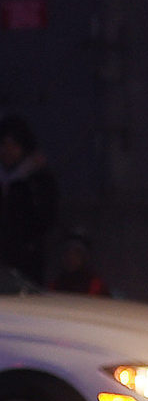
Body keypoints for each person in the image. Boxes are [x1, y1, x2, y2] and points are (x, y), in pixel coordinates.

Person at [0, 114, 58, 284]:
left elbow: (45, 218)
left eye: (14, 145)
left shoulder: (37, 179)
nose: (7, 151)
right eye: (3, 144)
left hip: (26, 262)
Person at [51, 228, 110, 296]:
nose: (71, 257)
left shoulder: (96, 286)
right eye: (67, 252)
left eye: (77, 253)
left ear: (85, 257)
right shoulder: (54, 285)